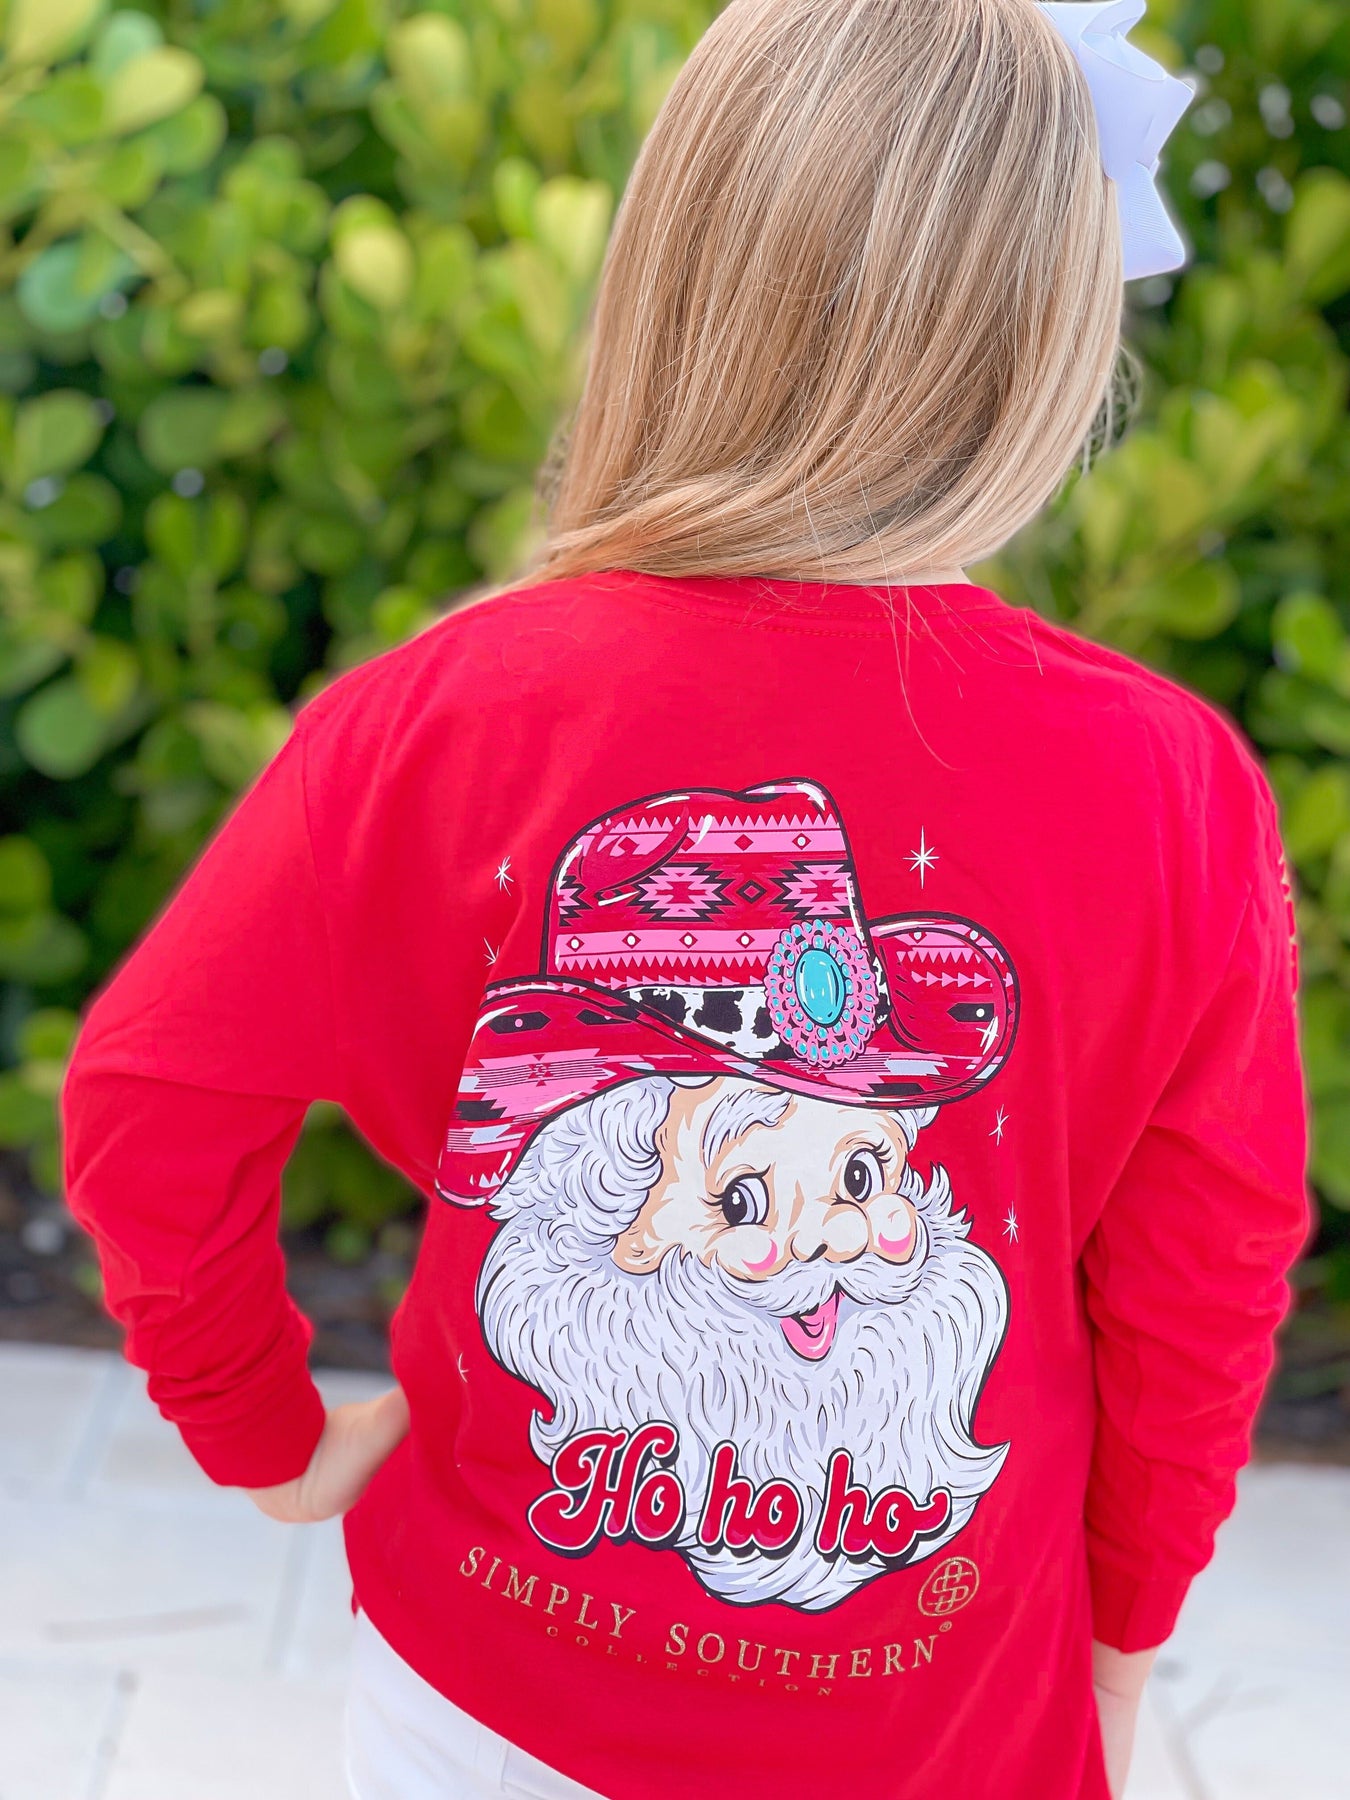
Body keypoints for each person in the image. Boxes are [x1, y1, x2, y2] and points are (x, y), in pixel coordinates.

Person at [61, 1, 1311, 1796]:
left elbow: (148, 1100)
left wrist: (260, 1431)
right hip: (934, 1736)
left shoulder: (438, 721)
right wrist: (1119, 1639)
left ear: (674, 272)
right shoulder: (1168, 789)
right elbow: (1203, 1280)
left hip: (473, 1712)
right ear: (1049, 335)